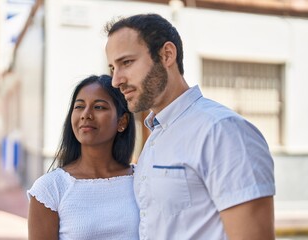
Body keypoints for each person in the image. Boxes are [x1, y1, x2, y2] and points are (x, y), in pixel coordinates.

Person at [105, 13, 275, 240]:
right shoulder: (156, 135)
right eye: (112, 69)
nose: (116, 81)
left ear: (167, 54)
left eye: (126, 63)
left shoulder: (223, 131)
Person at [27, 74, 139, 240]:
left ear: (122, 121)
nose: (86, 114)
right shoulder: (50, 189)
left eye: (99, 107)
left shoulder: (141, 180)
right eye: (79, 107)